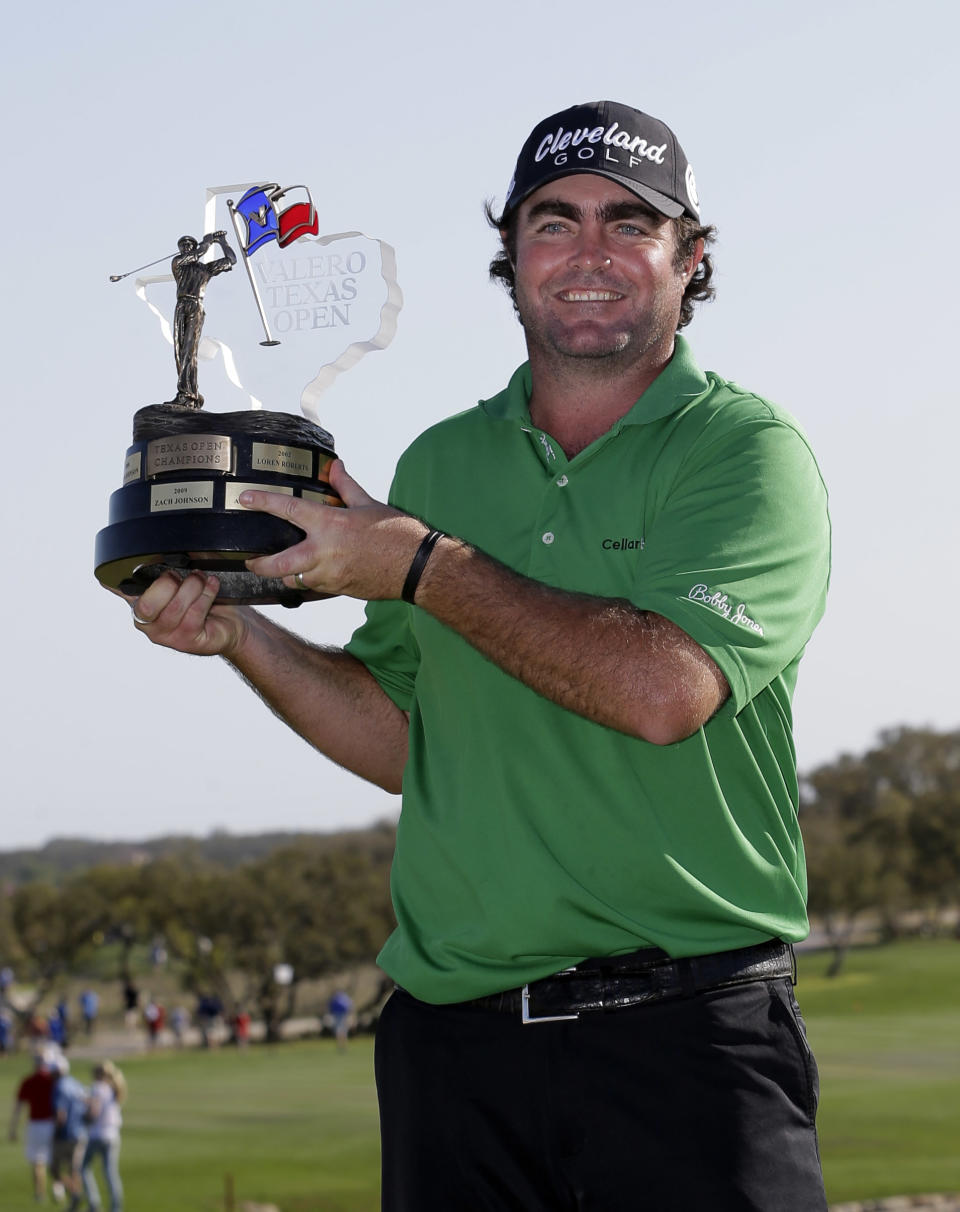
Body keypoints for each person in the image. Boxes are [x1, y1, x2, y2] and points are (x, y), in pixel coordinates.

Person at [118, 100, 831, 1210]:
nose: (587, 253)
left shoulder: (745, 453)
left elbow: (664, 689)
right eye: (553, 223)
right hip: (454, 1054)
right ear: (510, 256)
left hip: (685, 1040)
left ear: (689, 260)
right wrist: (241, 636)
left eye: (628, 223)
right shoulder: (443, 463)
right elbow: (413, 743)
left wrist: (422, 563)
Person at [167, 230, 236, 407]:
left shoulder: (204, 269)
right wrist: (206, 242)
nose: (186, 248)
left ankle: (189, 394)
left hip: (196, 306)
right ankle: (188, 392)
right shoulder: (178, 264)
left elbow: (231, 260)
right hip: (182, 305)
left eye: (189, 245)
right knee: (181, 350)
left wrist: (222, 241)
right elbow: (199, 253)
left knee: (190, 350)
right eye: (183, 246)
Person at [8, 1047, 58, 1202]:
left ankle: (40, 1194)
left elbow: (18, 1107)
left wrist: (12, 1129)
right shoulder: (53, 1080)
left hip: (35, 1125)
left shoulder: (28, 1081)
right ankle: (58, 1191)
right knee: (54, 1160)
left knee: (38, 1162)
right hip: (52, 1124)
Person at [80, 1060, 126, 1212]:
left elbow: (94, 1112)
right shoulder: (114, 1088)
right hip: (113, 1135)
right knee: (110, 1173)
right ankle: (115, 1207)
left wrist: (83, 1116)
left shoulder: (97, 1088)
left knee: (83, 1167)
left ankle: (94, 1203)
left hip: (97, 1134)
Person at [51, 1054, 88, 1211]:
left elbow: (61, 1114)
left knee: (55, 1169)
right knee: (74, 1170)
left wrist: (56, 1133)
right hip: (80, 1132)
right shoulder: (76, 1084)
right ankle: (75, 1201)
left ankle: (76, 1194)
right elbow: (89, 1104)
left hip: (65, 1134)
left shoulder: (59, 1087)